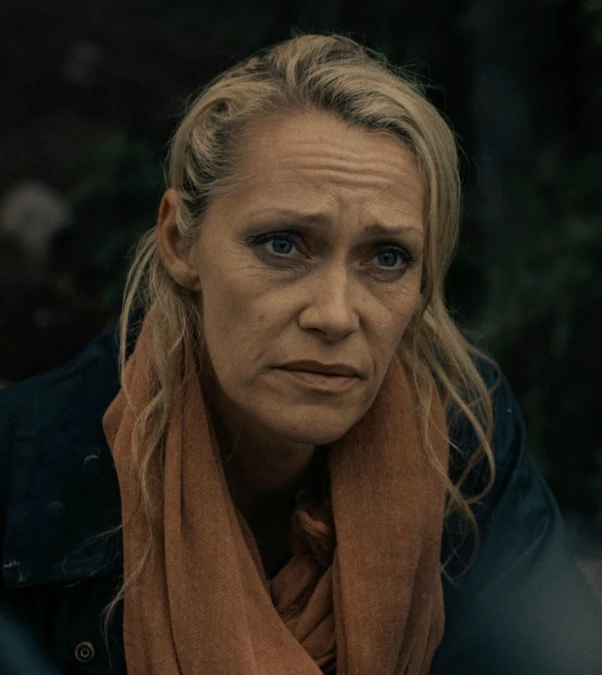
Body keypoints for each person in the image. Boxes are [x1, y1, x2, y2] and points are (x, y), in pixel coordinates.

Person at [0, 33, 601, 675]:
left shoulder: (463, 433)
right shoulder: (25, 471)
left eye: (388, 257)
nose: (335, 315)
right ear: (179, 242)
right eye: (282, 245)